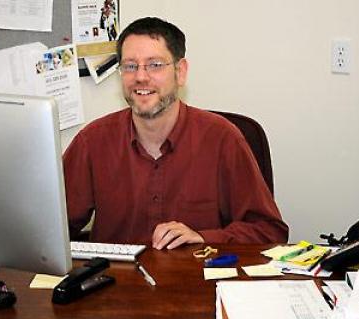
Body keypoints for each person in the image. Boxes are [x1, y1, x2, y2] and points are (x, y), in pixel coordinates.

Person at [63, 17, 288, 249]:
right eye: (130, 66)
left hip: (197, 280)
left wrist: (203, 237)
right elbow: (52, 226)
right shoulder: (93, 141)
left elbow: (270, 232)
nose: (140, 76)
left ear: (180, 72)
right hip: (115, 281)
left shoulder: (223, 139)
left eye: (155, 65)